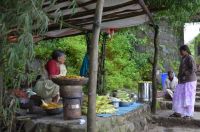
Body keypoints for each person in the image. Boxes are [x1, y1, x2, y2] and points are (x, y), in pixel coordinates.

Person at [171, 45, 197, 119]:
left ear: (185, 50)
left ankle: (189, 114)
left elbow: (194, 69)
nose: (180, 52)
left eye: (181, 51)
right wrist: (179, 76)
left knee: (188, 97)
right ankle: (178, 112)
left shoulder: (190, 58)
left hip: (190, 81)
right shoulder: (183, 58)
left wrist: (185, 73)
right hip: (182, 81)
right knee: (178, 96)